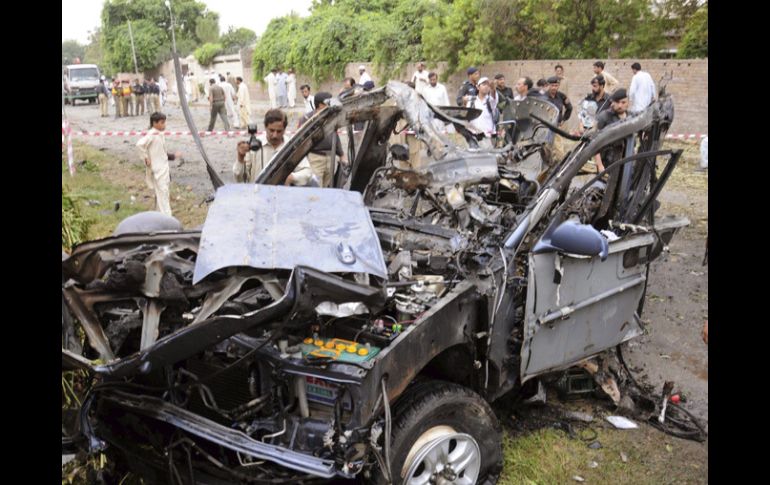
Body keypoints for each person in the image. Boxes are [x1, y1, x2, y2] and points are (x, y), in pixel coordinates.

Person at [233, 109, 314, 185]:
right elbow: (240, 179)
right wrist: (240, 158)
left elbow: (307, 172)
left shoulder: (291, 146)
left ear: (285, 129)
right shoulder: (253, 146)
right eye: (271, 130)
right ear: (265, 127)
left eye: (279, 131)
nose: (275, 135)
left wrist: (292, 177)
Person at [136, 112, 182, 217]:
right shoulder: (152, 134)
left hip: (163, 169)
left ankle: (159, 218)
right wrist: (145, 158)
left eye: (164, 122)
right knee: (163, 196)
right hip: (158, 170)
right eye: (162, 122)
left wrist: (174, 156)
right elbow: (139, 144)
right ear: (155, 123)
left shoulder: (159, 134)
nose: (164, 125)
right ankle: (167, 219)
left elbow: (162, 153)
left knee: (162, 196)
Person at [307, 92, 347, 187]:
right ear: (320, 105)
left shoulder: (331, 118)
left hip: (330, 159)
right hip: (316, 159)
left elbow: (335, 136)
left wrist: (341, 154)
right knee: (316, 188)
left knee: (327, 188)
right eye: (328, 103)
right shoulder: (307, 119)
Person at [595, 88, 629, 172]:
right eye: (617, 102)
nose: (620, 105)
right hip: (607, 162)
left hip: (626, 163)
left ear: (628, 102)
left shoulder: (631, 117)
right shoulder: (604, 117)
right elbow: (594, 142)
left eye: (623, 102)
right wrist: (599, 165)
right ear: (613, 102)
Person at [544, 76, 572, 160]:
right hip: (546, 127)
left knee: (559, 149)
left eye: (556, 85)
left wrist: (563, 119)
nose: (554, 88)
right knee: (546, 148)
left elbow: (569, 108)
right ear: (548, 85)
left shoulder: (561, 96)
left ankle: (561, 164)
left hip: (557, 127)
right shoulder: (543, 97)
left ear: (558, 86)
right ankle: (549, 163)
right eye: (552, 85)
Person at [467, 77, 498, 149]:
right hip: (473, 137)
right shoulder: (471, 101)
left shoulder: (490, 100)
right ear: (478, 87)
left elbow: (494, 98)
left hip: (487, 137)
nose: (486, 86)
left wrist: (493, 89)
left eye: (488, 85)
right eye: (484, 84)